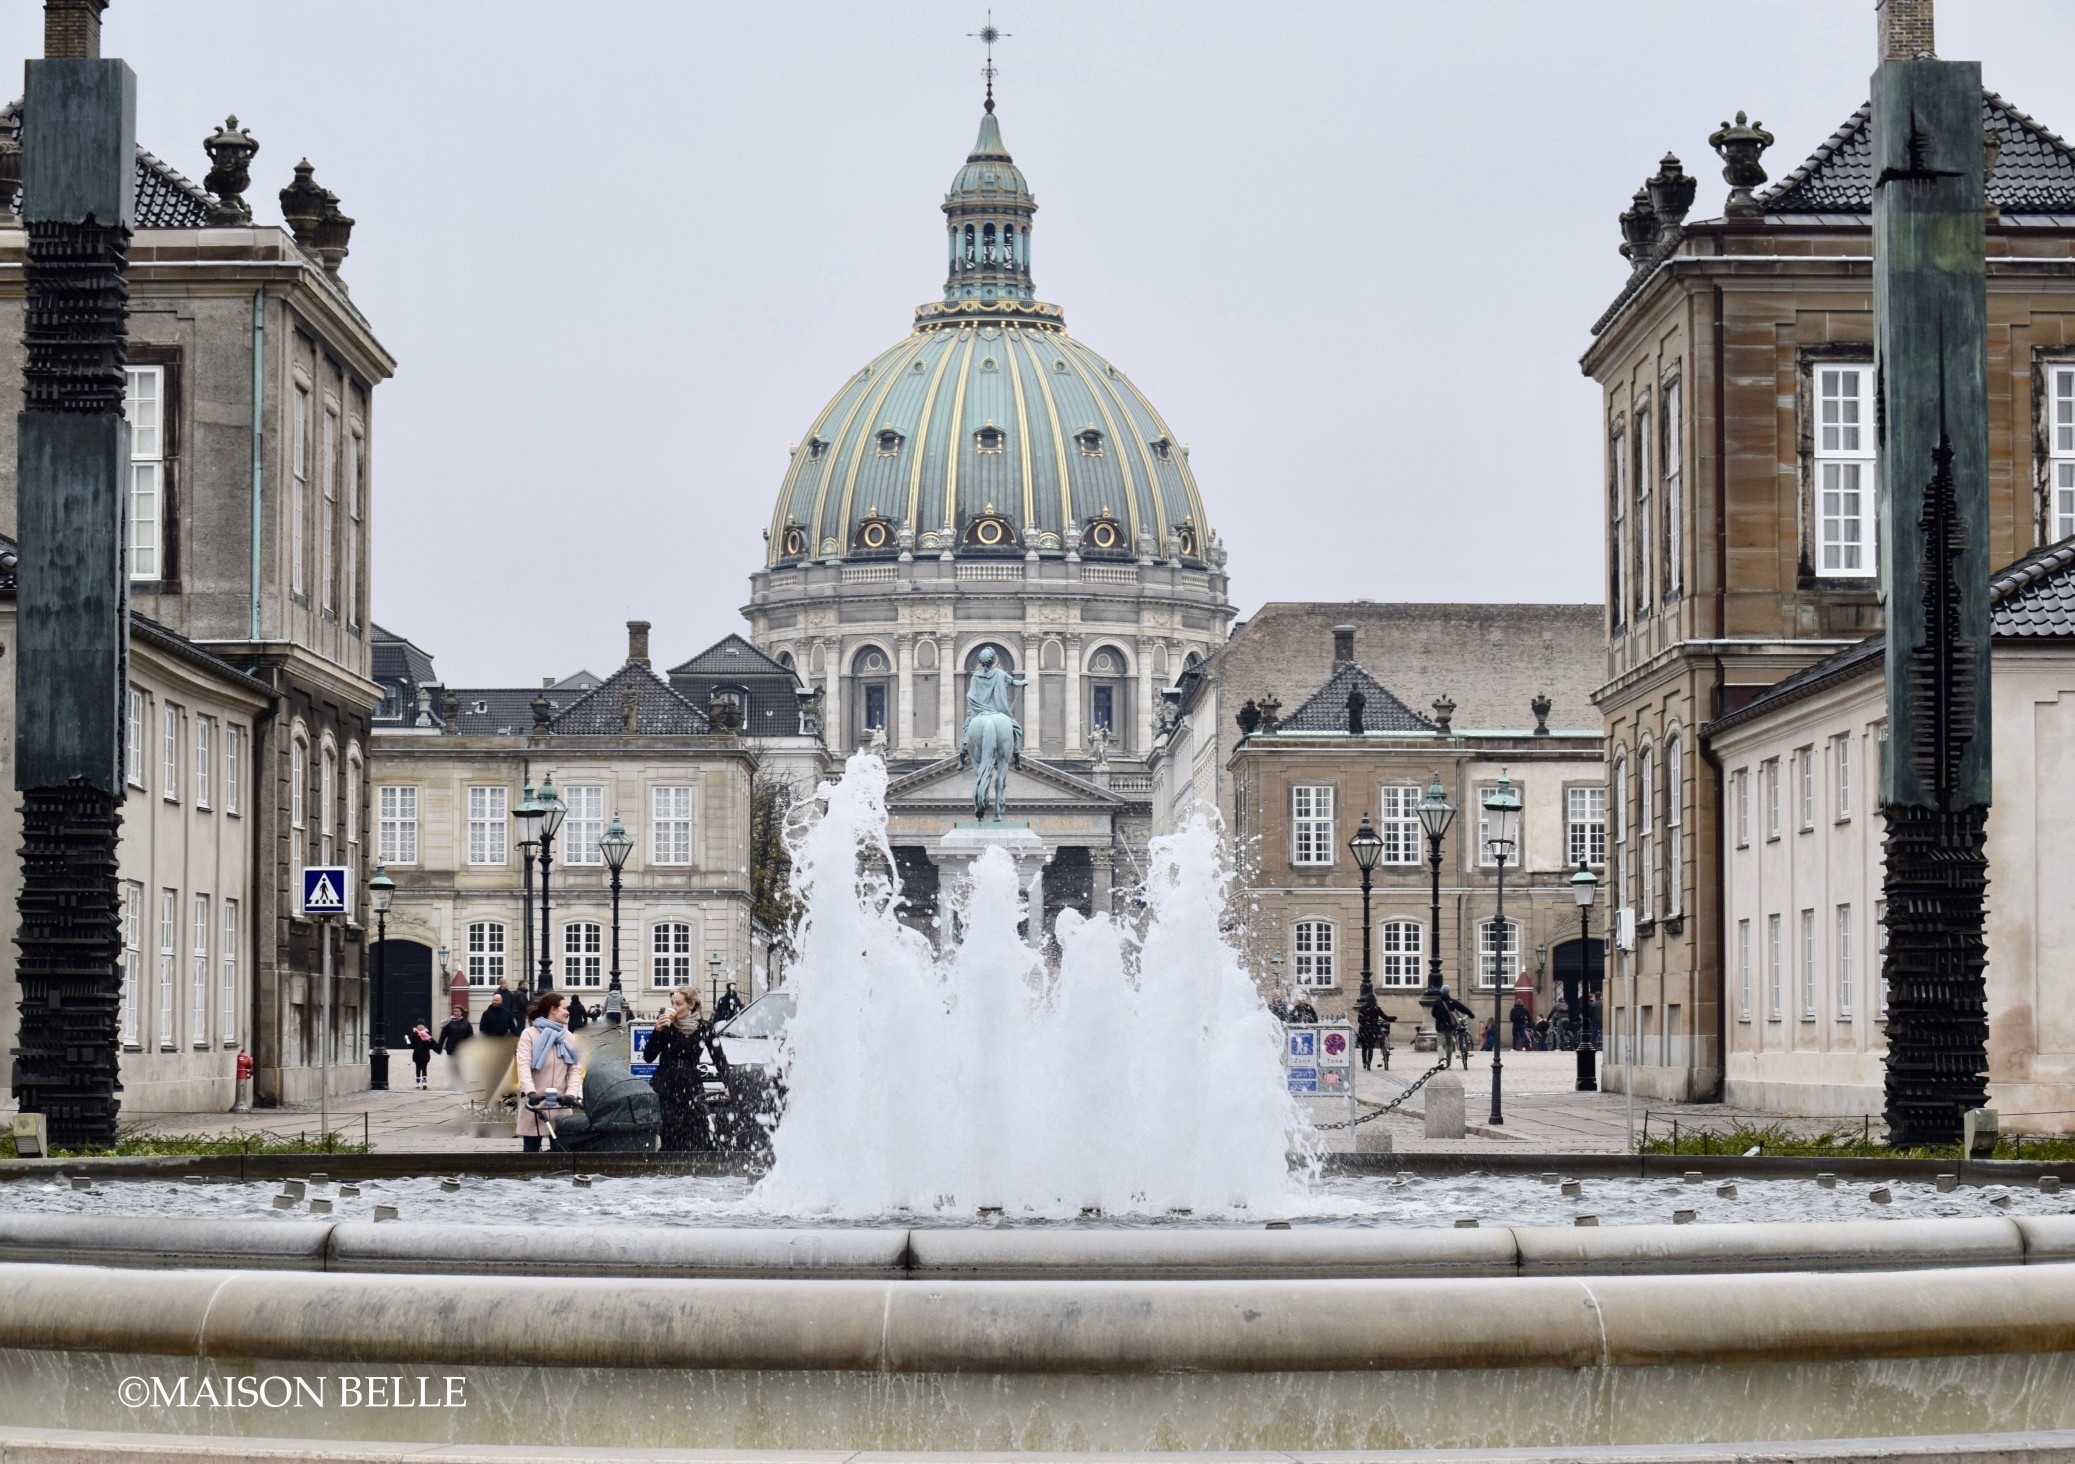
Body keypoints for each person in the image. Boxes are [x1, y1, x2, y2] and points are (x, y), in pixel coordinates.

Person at [643, 987, 713, 1152]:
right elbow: (648, 1056)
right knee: (670, 1131)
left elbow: (719, 1058)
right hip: (666, 1084)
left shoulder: (704, 1027)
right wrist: (657, 1031)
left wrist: (728, 1083)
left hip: (691, 1085)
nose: (673, 1008)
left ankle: (691, 1174)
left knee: (697, 1133)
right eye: (672, 1003)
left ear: (691, 1005)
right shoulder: (666, 1026)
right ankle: (667, 1172)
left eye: (678, 1004)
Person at [514, 990, 584, 1153]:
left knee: (561, 1157)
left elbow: (575, 1069)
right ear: (553, 1009)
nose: (567, 1012)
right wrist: (530, 1092)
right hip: (535, 1103)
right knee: (530, 1155)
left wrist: (571, 1094)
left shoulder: (569, 1037)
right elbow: (523, 1065)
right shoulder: (529, 1034)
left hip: (560, 1103)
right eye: (564, 1008)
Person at [1431, 983, 1477, 1070]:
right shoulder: (1451, 1001)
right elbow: (1462, 1008)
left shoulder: (1437, 1002)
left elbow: (1433, 1014)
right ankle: (1448, 1064)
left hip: (1440, 1027)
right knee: (1449, 1045)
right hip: (1450, 1027)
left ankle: (1441, 1061)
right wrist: (1470, 1014)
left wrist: (1439, 1018)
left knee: (1440, 1044)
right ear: (1448, 992)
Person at [436, 1005, 474, 1090]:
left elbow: (471, 1036)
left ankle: (462, 1083)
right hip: (451, 1047)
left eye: (457, 1011)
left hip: (462, 1048)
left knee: (461, 1066)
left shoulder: (466, 1023)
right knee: (453, 1066)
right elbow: (443, 1035)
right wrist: (439, 1046)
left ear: (461, 1013)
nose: (456, 1013)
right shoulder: (449, 1023)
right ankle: (453, 1084)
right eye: (454, 1011)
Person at [1356, 1000, 1395, 1071]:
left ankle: (1364, 1062)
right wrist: (1392, 1019)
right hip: (1372, 1030)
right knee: (1370, 1048)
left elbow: (1359, 1020)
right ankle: (1369, 1063)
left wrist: (1365, 1023)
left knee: (1364, 1047)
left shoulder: (1362, 1008)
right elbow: (1385, 1017)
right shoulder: (1376, 1008)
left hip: (1364, 1030)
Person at [405, 1022, 438, 1089]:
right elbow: (411, 1045)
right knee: (418, 1068)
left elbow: (432, 1043)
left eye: (421, 1025)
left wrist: (437, 1048)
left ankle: (424, 1082)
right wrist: (407, 1040)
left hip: (425, 1054)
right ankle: (418, 1082)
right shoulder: (414, 1035)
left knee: (424, 1068)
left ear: (424, 1026)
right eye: (419, 1025)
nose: (420, 1026)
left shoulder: (427, 1035)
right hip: (417, 1054)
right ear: (417, 1026)